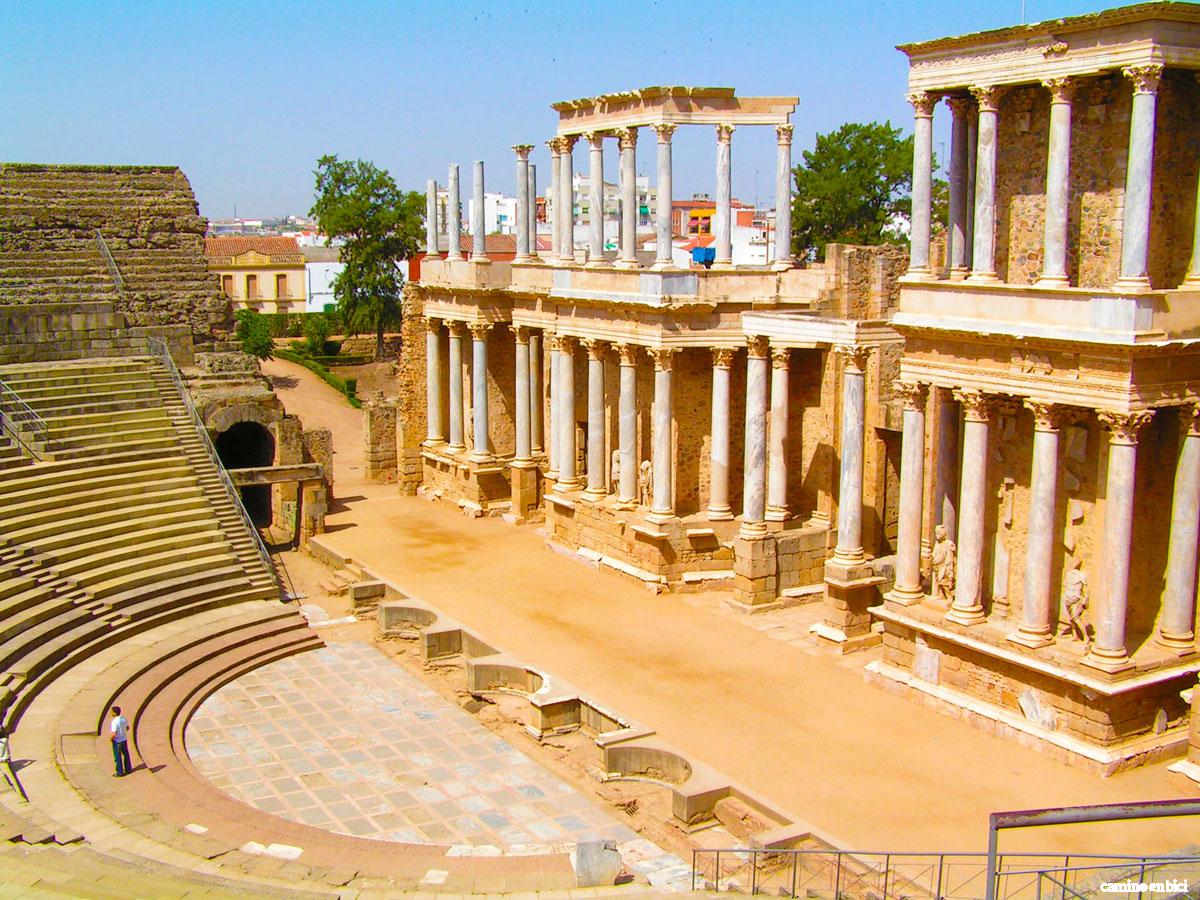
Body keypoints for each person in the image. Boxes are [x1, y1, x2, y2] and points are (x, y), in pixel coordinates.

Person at [0, 727, 28, 802]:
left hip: (3, 762)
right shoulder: (3, 735)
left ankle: (22, 797)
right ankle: (17, 792)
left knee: (12, 779)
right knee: (6, 778)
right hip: (4, 760)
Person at [110, 706, 132, 777]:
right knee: (126, 754)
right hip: (124, 739)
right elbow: (127, 728)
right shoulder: (123, 718)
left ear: (115, 713)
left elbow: (114, 733)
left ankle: (120, 772)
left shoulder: (114, 722)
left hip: (117, 741)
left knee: (118, 756)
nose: (111, 713)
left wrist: (111, 739)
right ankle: (128, 769)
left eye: (112, 712)